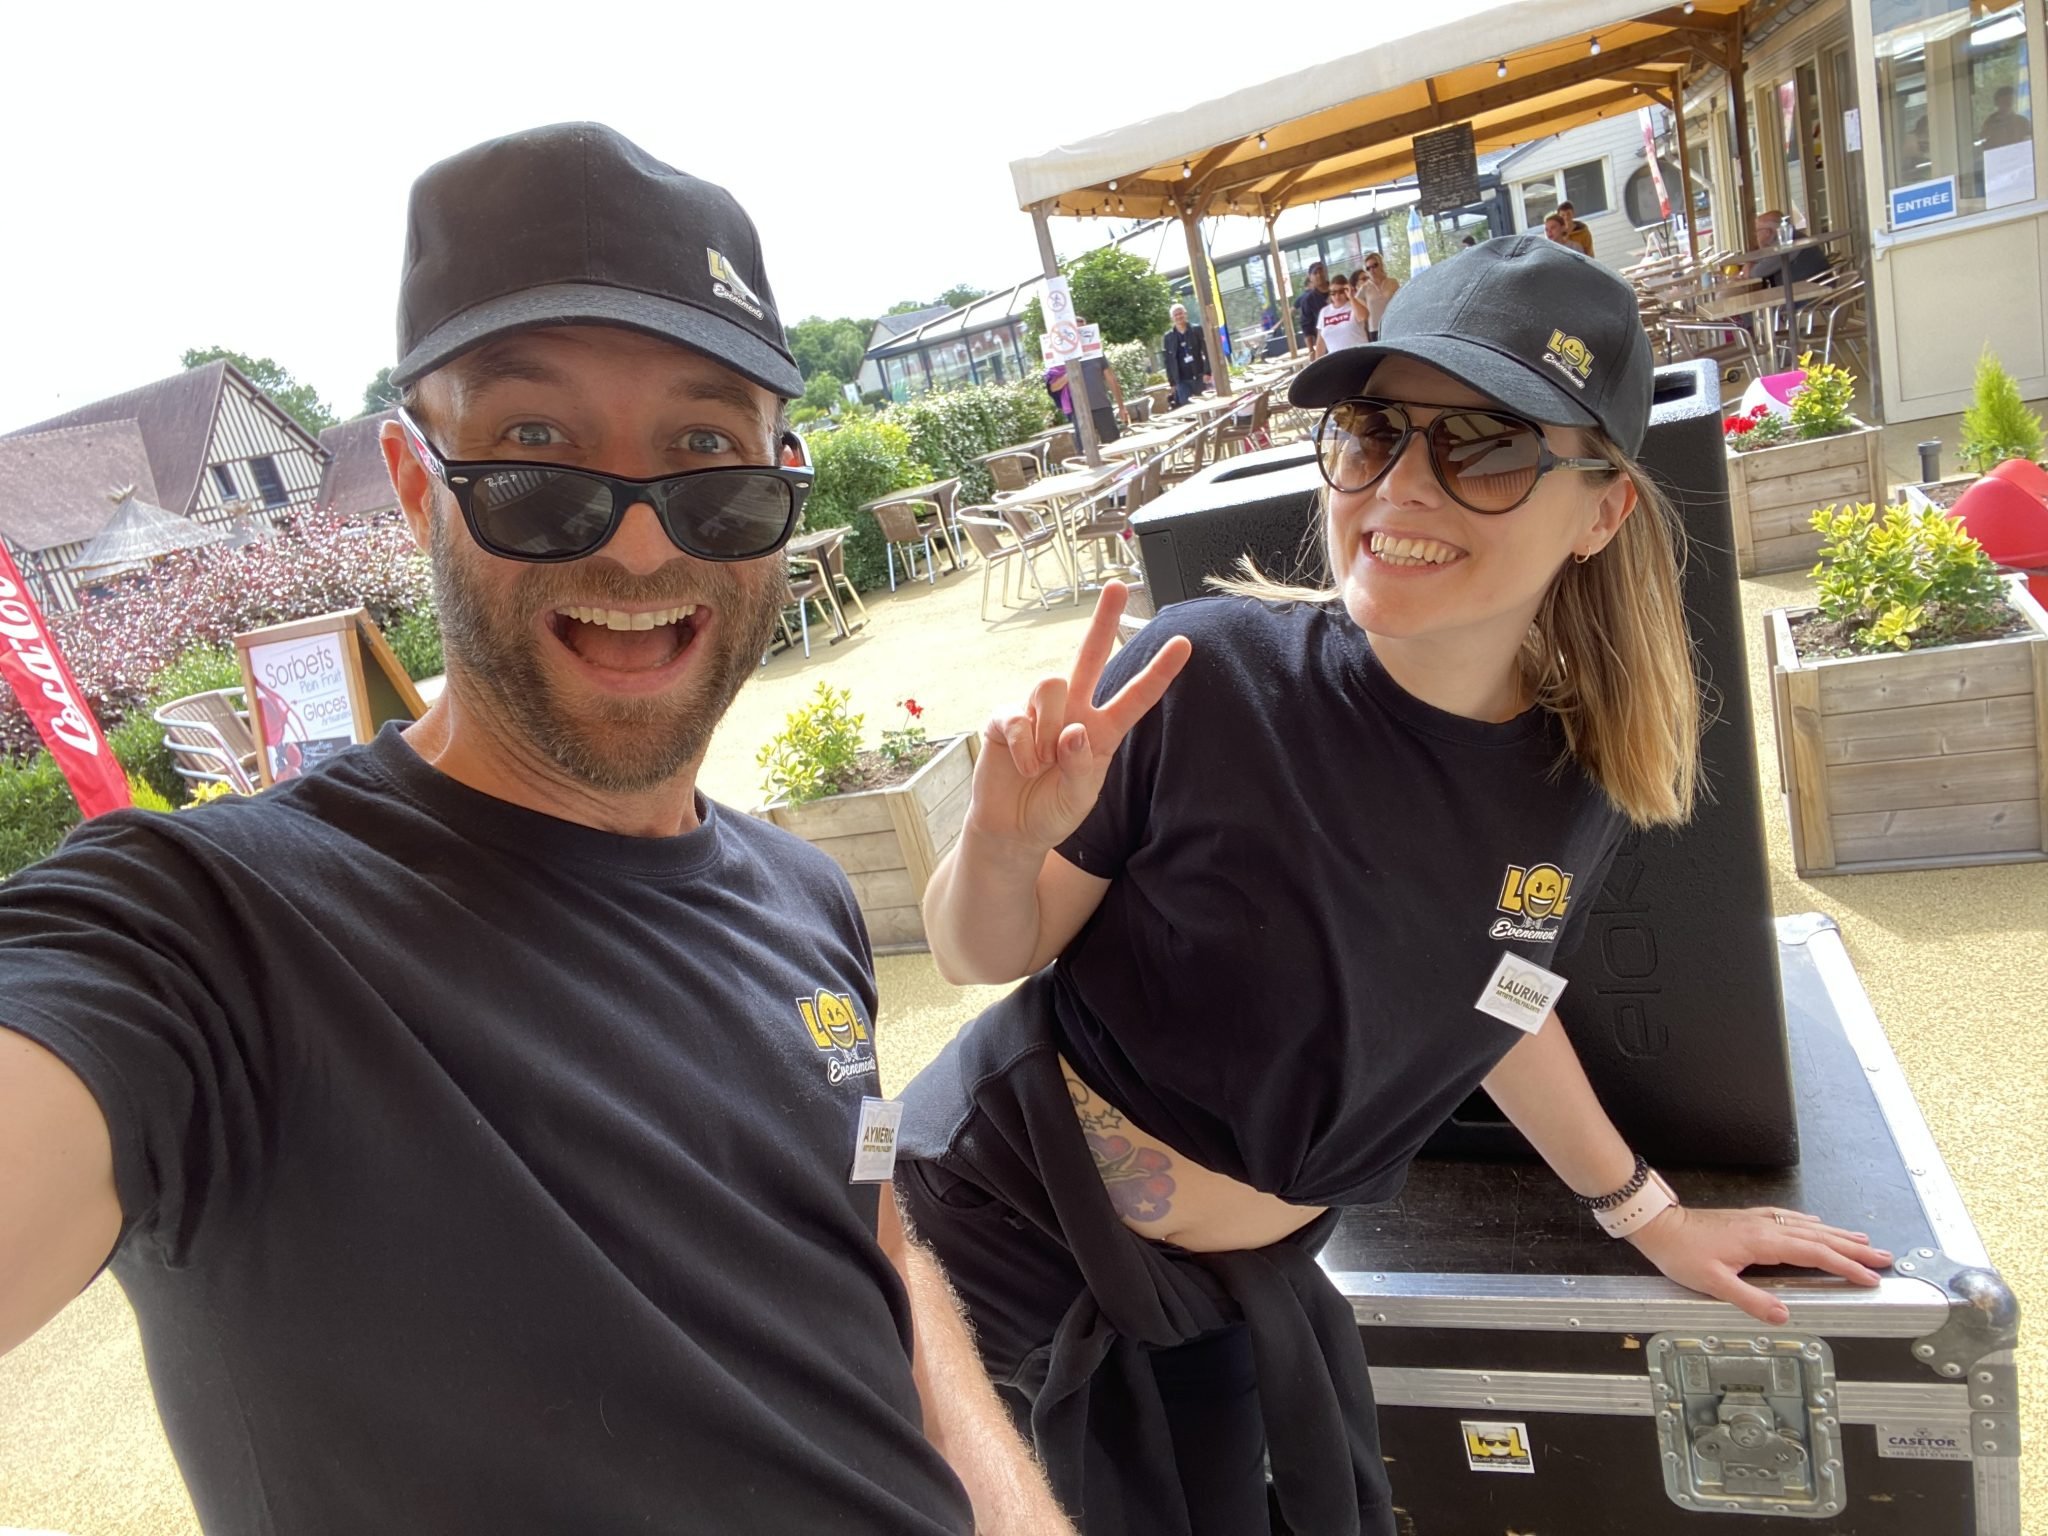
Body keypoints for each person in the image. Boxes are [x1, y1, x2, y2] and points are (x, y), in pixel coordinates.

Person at [0, 122, 1072, 1536]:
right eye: (535, 453)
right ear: (413, 483)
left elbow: (877, 1248)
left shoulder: (806, 897)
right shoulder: (211, 934)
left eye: (707, 453)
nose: (638, 542)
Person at [894, 235, 1892, 1535]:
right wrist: (999, 845)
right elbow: (980, 953)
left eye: (1487, 445)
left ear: (1601, 511)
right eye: (1375, 433)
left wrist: (1648, 1217)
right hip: (987, 1244)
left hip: (1214, 1302)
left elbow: (1494, 1000)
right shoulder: (1206, 675)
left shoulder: (1577, 785)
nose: (1404, 485)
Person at [1045, 354, 1126, 454]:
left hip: (1102, 407)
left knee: (1114, 448)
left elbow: (1111, 379)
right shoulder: (1061, 356)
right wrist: (1071, 371)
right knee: (1086, 453)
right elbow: (1053, 387)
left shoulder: (1095, 351)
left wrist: (1121, 407)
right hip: (1078, 412)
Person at [1161, 304, 1212, 406]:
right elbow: (1168, 361)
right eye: (1175, 315)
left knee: (1205, 405)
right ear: (1172, 318)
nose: (1179, 317)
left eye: (1180, 313)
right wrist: (1172, 382)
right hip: (1181, 380)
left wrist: (1207, 372)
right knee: (1187, 407)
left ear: (1185, 314)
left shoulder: (1197, 330)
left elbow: (1207, 351)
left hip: (1199, 376)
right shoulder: (1168, 337)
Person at [1314, 270, 1371, 355]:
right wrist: (1317, 361)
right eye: (1333, 293)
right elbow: (1320, 343)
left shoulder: (1355, 304)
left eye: (1341, 292)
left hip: (1359, 355)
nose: (1337, 296)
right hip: (1336, 359)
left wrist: (1351, 297)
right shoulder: (1324, 312)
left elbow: (1363, 317)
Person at [1356, 251, 1401, 343]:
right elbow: (1356, 301)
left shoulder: (1393, 282)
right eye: (1368, 268)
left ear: (1381, 265)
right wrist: (1366, 307)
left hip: (1393, 324)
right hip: (1375, 328)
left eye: (1375, 265)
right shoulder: (1365, 288)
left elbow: (1400, 301)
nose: (1372, 270)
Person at [1297, 260, 1332, 357]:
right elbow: (1306, 326)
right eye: (1315, 273)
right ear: (1310, 277)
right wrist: (1311, 350)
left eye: (1321, 271)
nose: (1319, 275)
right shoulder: (1308, 300)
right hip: (1325, 345)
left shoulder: (1337, 290)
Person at [1981, 84, 2032, 149]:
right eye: (2004, 101)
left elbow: (2029, 143)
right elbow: (1985, 145)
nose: (2007, 103)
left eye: (2010, 100)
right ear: (1997, 103)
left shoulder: (2023, 122)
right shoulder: (1989, 124)